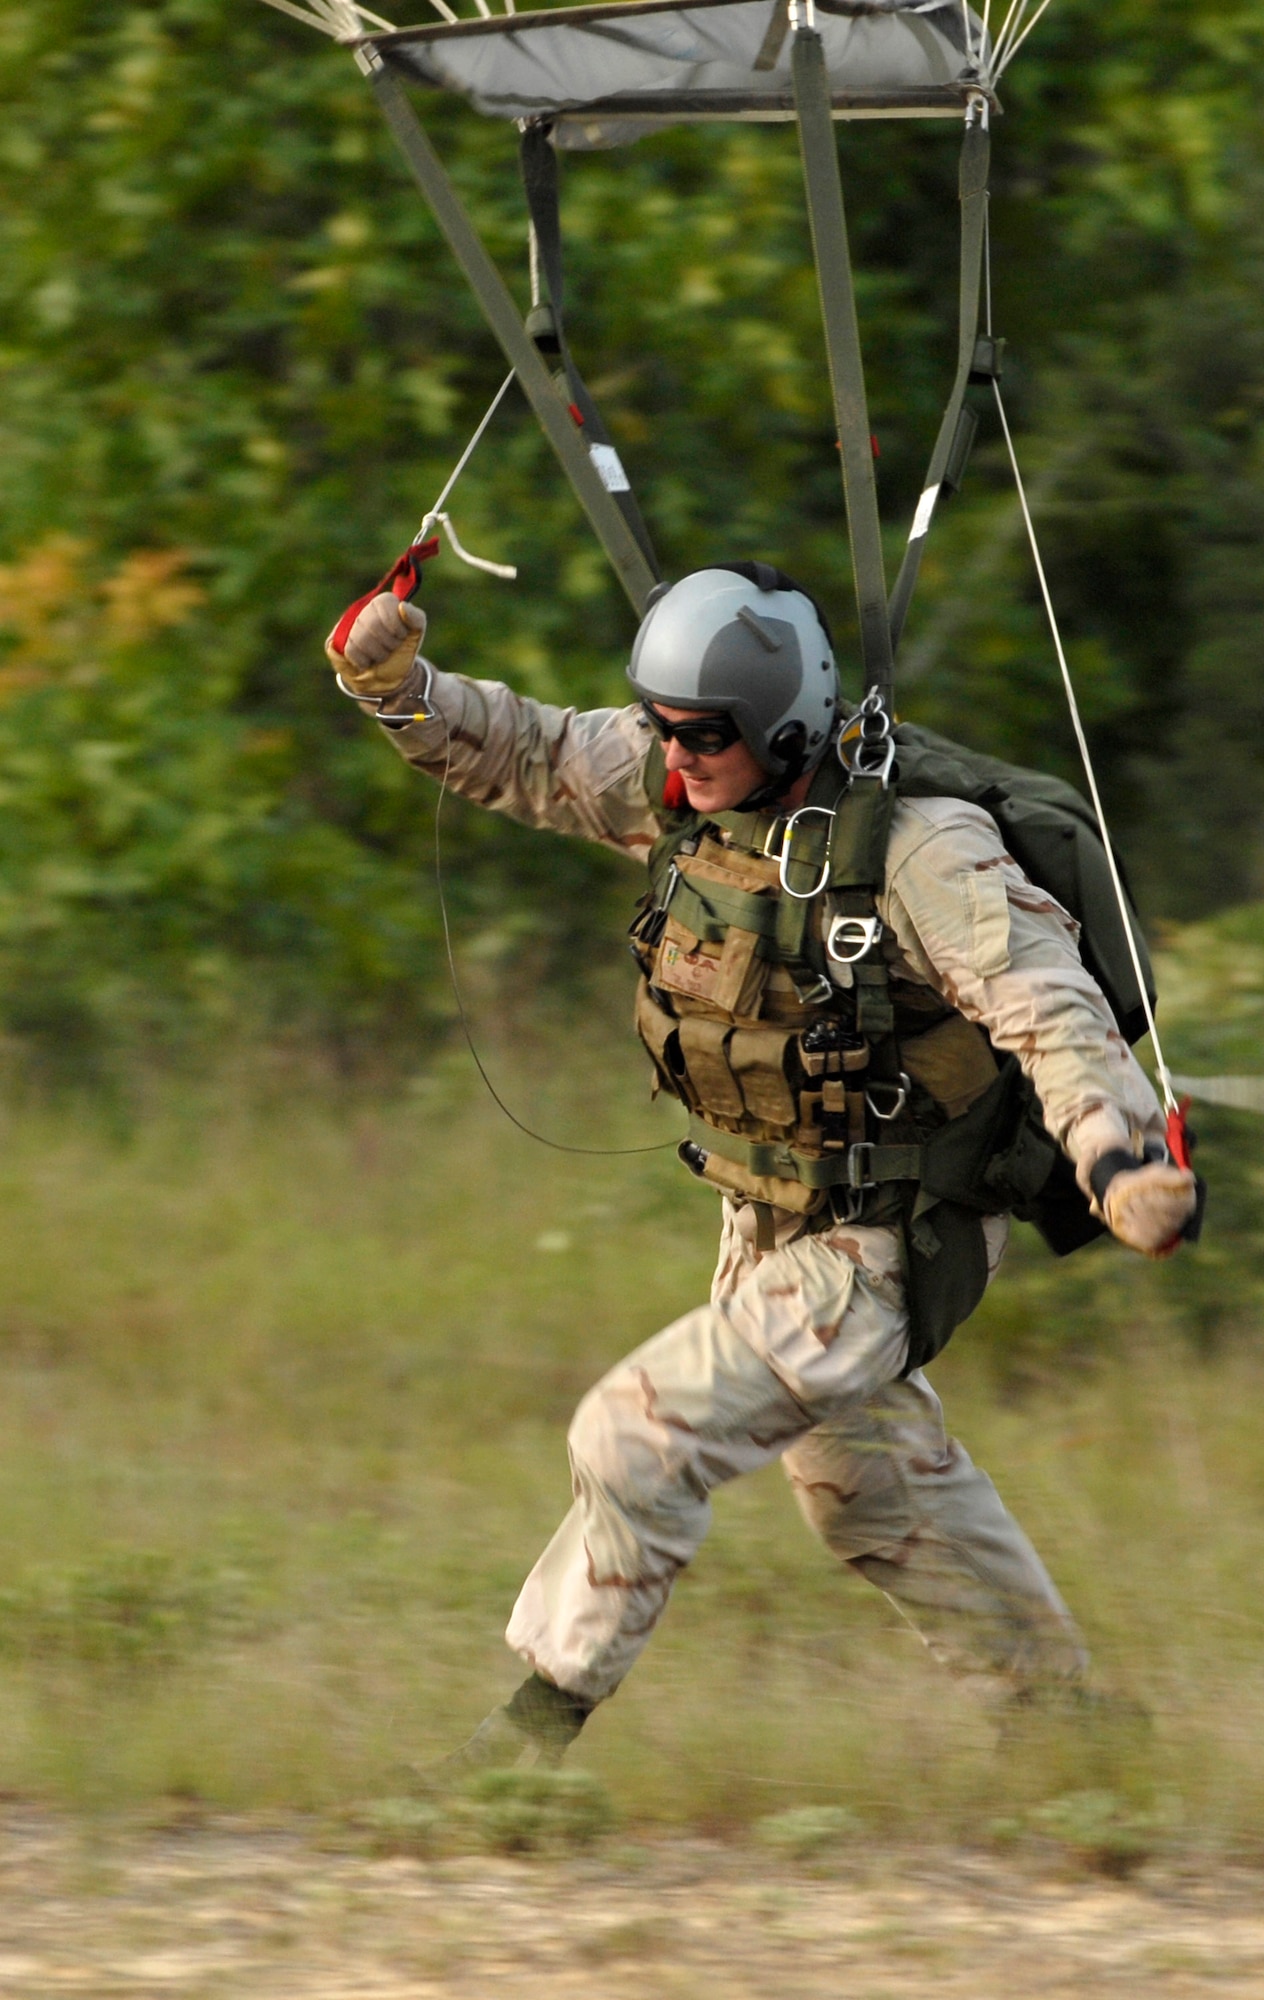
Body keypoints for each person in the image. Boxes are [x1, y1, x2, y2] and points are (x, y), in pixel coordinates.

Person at [326, 561, 1197, 1769]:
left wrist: (1118, 1151)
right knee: (870, 1489)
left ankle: (520, 1752)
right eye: (662, 726)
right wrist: (396, 687)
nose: (673, 757)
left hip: (891, 1233)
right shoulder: (680, 784)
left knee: (634, 1433)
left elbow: (1047, 1004)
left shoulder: (922, 848)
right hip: (770, 1219)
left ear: (783, 726)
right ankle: (1080, 1739)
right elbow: (525, 751)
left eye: (701, 735)